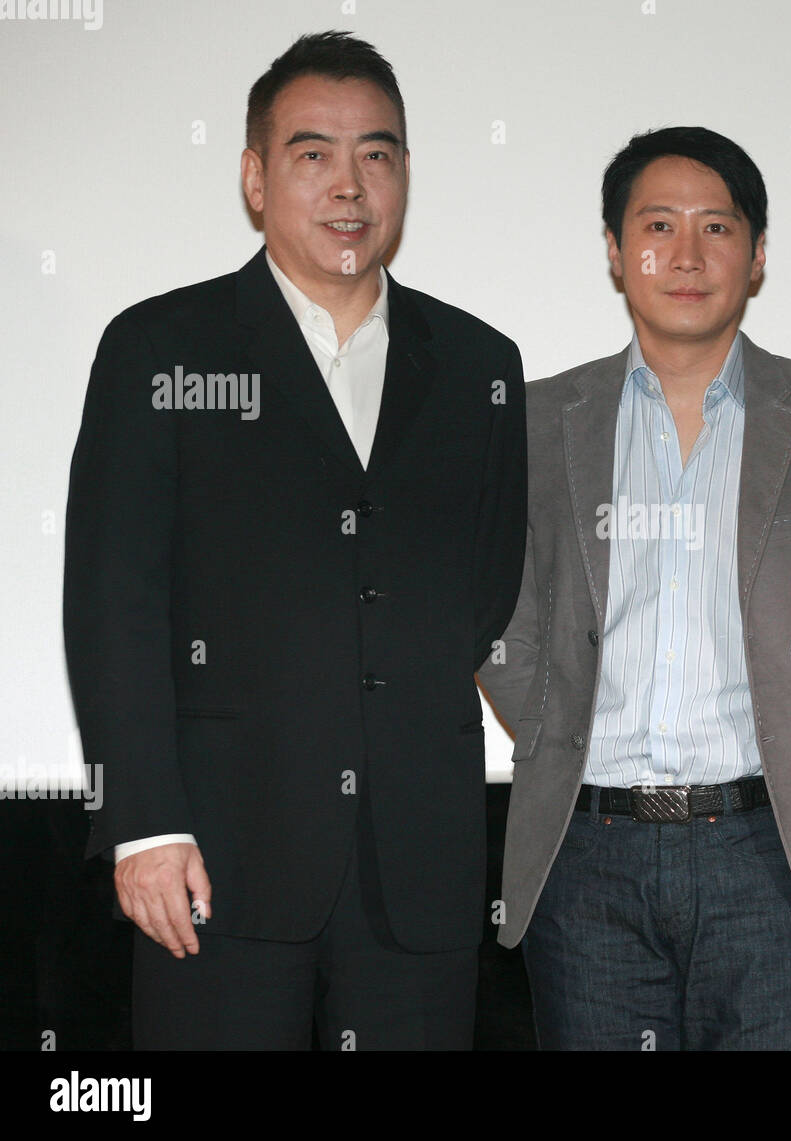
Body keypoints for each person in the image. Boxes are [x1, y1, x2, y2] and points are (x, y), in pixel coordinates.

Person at [62, 31, 526, 1049]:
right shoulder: (161, 349)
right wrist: (144, 822)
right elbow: (114, 602)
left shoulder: (480, 364)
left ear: (405, 174)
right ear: (255, 178)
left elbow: (485, 590)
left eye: (378, 153)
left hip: (421, 860)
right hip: (215, 857)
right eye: (313, 153)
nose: (348, 184)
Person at [476, 126, 791, 1050]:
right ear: (618, 253)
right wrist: (547, 727)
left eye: (718, 227)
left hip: (767, 845)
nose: (688, 254)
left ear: (755, 256)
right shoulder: (541, 420)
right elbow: (500, 613)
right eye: (658, 225)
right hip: (586, 850)